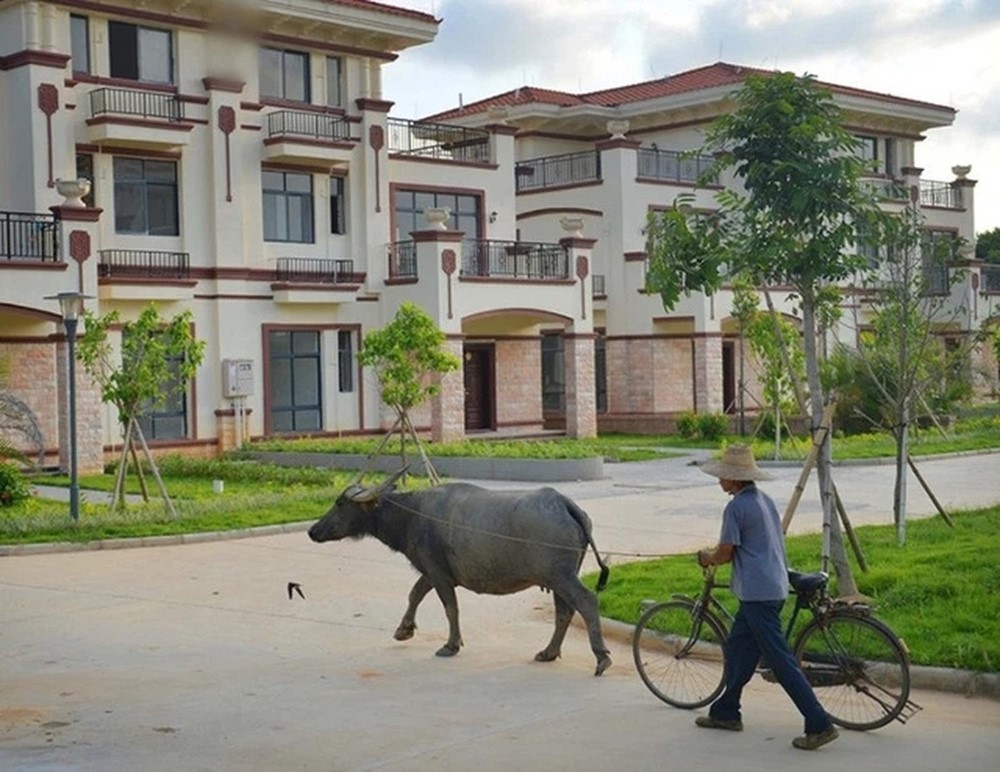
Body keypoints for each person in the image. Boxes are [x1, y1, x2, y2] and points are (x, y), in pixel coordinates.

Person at [694, 444, 839, 751]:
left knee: (780, 661)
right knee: (739, 650)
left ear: (735, 480)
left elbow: (725, 552)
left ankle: (819, 722)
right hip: (770, 586)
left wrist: (706, 557)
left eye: (724, 476)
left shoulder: (735, 508)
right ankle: (726, 711)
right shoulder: (764, 500)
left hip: (758, 593)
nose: (720, 480)